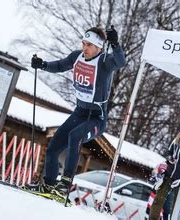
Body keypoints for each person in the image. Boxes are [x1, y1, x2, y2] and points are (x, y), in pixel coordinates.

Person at [30, 26, 126, 197]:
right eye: (83, 43)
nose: (85, 48)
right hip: (80, 113)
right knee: (53, 146)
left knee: (75, 136)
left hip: (96, 118)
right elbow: (60, 65)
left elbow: (121, 62)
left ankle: (65, 184)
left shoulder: (104, 61)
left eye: (89, 45)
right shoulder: (77, 57)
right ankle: (49, 185)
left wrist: (115, 43)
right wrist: (42, 65)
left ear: (98, 47)